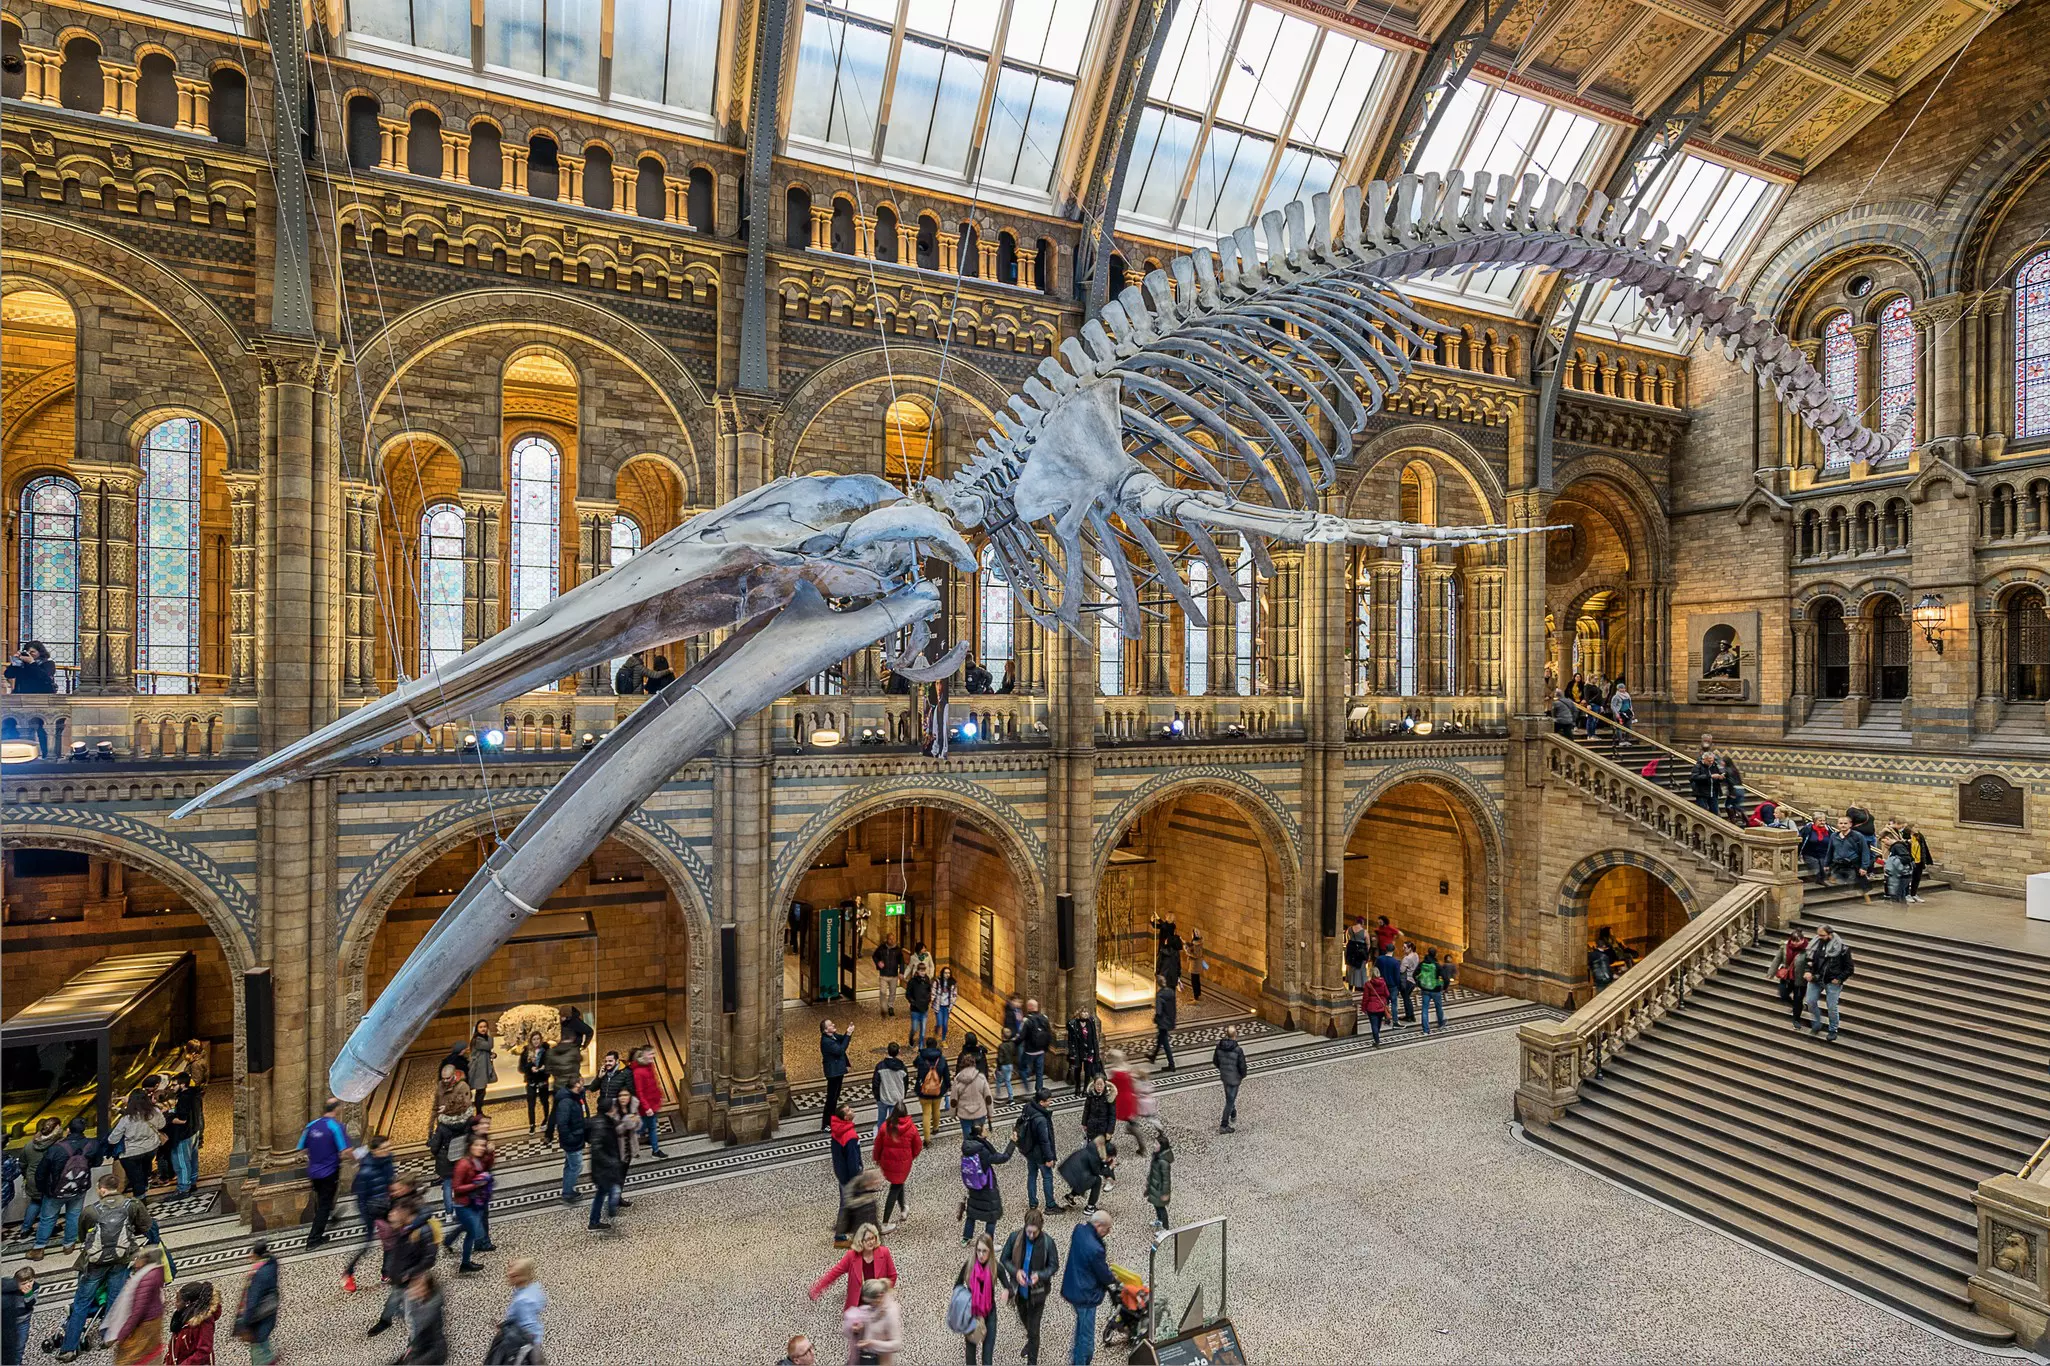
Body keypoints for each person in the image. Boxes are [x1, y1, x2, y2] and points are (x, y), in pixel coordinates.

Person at [999, 1207, 1059, 1366]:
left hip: (1038, 1293)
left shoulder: (1048, 1243)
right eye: (1028, 1231)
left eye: (1034, 1232)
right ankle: (1031, 1341)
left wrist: (1040, 1275)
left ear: (1041, 1228)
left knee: (1034, 1330)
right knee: (1025, 1320)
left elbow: (1054, 1266)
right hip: (1020, 1292)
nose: (1031, 1235)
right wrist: (1016, 1271)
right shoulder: (1015, 1238)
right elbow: (1004, 1259)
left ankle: (1032, 1360)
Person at [31, 1116, 97, 1259]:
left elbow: (41, 1172)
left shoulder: (56, 1149)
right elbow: (97, 1162)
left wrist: (43, 1189)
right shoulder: (91, 1144)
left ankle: (39, 1248)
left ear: (68, 1130)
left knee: (47, 1218)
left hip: (55, 1190)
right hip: (79, 1187)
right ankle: (69, 1245)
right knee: (73, 1215)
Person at [1062, 1210, 1118, 1366]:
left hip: (1073, 1287)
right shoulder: (1095, 1249)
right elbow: (1103, 1274)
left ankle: (1075, 1361)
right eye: (1107, 1229)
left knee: (1080, 1332)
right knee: (1086, 1340)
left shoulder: (1079, 1230)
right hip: (1086, 1295)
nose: (1108, 1232)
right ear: (1099, 1226)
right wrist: (1113, 1280)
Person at [342, 1134, 394, 1293]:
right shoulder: (365, 1172)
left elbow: (390, 1181)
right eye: (384, 1148)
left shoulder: (388, 1160)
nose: (389, 1150)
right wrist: (368, 1217)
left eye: (389, 1147)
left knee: (390, 1239)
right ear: (375, 1151)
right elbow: (361, 1199)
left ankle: (386, 1272)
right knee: (368, 1244)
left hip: (387, 1204)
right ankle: (348, 1272)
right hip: (372, 1210)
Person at [296, 1097, 350, 1247]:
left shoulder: (311, 1125)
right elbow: (345, 1151)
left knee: (322, 1199)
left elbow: (303, 1148)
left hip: (314, 1172)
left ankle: (330, 1217)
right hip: (329, 1172)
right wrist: (356, 1159)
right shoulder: (336, 1127)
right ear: (337, 1109)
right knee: (324, 1205)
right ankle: (313, 1239)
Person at [810, 1223, 898, 1312]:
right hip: (858, 1304)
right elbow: (834, 1272)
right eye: (867, 1239)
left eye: (872, 1238)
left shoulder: (884, 1252)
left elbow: (893, 1275)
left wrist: (884, 1295)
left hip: (878, 1303)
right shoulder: (851, 1256)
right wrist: (818, 1288)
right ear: (860, 1241)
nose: (871, 1242)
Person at [108, 1243, 166, 1366]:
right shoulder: (154, 1272)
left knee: (131, 1357)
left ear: (145, 1260)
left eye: (137, 1259)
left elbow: (138, 1310)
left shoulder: (146, 1278)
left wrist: (124, 1332)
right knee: (151, 1352)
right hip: (152, 1319)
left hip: (145, 1324)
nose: (134, 1262)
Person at [959, 1124, 1015, 1244]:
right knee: (991, 1215)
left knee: (972, 1212)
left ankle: (966, 1238)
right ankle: (988, 1241)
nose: (987, 1131)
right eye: (984, 1130)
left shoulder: (968, 1146)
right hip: (986, 1184)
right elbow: (1003, 1158)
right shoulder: (983, 1151)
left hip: (973, 1184)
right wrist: (1012, 1142)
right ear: (980, 1134)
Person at [14, 1117, 63, 1255]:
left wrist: (27, 1175)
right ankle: (48, 1229)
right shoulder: (57, 1145)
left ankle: (25, 1229)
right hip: (49, 1180)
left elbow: (22, 1164)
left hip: (32, 1179)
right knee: (50, 1207)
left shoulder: (29, 1145)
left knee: (35, 1202)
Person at [1803, 923, 1855, 1043]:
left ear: (1830, 934)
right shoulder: (1816, 945)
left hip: (1832, 981)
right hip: (1816, 978)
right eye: (1818, 935)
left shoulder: (1842, 949)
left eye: (1822, 935)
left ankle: (1833, 1029)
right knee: (1810, 1001)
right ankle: (1816, 1023)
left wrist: (1840, 978)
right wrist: (1807, 971)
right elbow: (1808, 960)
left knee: (1832, 1007)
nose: (1819, 937)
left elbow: (1849, 968)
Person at [448, 1134, 492, 1273]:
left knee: (470, 1232)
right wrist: (476, 1185)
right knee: (474, 1231)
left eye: (482, 1145)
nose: (480, 1148)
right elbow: (456, 1187)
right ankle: (464, 1262)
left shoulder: (477, 1160)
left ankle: (465, 1262)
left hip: (472, 1202)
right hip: (463, 1204)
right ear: (469, 1147)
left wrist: (491, 1153)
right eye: (477, 1145)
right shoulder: (463, 1164)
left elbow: (488, 1165)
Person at [955, 1233, 1001, 1366]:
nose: (981, 1255)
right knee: (970, 1356)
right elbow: (957, 1286)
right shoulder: (969, 1265)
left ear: (990, 1252)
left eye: (984, 1251)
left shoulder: (994, 1267)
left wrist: (1007, 1291)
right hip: (972, 1314)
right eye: (978, 1250)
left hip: (990, 1313)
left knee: (987, 1358)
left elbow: (1008, 1285)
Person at [872, 1110, 922, 1231]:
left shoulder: (885, 1126)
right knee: (895, 1188)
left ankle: (903, 1208)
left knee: (898, 1183)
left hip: (888, 1163)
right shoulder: (912, 1128)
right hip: (903, 1164)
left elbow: (878, 1144)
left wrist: (877, 1158)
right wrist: (911, 1157)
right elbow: (918, 1146)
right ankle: (885, 1222)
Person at [111, 1089, 166, 1198]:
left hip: (131, 1153)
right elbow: (161, 1125)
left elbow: (112, 1139)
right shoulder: (155, 1112)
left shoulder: (127, 1119)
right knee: (144, 1170)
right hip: (151, 1148)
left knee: (136, 1179)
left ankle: (141, 1201)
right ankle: (145, 1185)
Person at [230, 1243, 278, 1366]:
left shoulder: (257, 1274)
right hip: (268, 1312)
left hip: (258, 1317)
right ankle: (269, 1359)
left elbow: (252, 1300)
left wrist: (245, 1323)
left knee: (258, 1348)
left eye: (252, 1253)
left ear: (256, 1255)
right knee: (263, 1341)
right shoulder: (271, 1264)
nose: (250, 1256)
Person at [1013, 1090, 1059, 1213]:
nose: (1051, 1102)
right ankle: (1050, 1205)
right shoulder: (1041, 1119)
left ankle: (1032, 1203)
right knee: (1047, 1177)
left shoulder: (1028, 1107)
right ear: (1041, 1102)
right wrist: (1049, 1158)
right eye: (1048, 1100)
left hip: (1029, 1150)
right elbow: (1045, 1141)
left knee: (1032, 1175)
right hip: (1040, 1153)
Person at [496, 1258, 545, 1364]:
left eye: (514, 1276)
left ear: (523, 1277)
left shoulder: (522, 1300)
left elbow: (528, 1327)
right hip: (534, 1338)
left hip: (524, 1343)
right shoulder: (534, 1288)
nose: (508, 1277)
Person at [829, 1103, 865, 1245]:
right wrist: (857, 1177)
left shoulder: (836, 1131)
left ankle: (842, 1229)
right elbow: (852, 1160)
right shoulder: (849, 1136)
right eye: (849, 1110)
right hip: (850, 1176)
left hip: (841, 1173)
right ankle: (842, 1233)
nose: (852, 1110)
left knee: (846, 1203)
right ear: (845, 1117)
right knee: (853, 1204)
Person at [549, 1078, 588, 1204]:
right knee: (576, 1166)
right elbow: (562, 1124)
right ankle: (567, 1193)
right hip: (573, 1140)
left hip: (576, 1136)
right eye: (581, 1083)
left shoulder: (575, 1096)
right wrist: (570, 1139)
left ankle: (567, 1190)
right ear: (576, 1085)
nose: (584, 1085)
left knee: (570, 1165)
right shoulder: (566, 1102)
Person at [164, 1075, 203, 1196]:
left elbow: (182, 1119)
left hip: (184, 1134)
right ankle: (192, 1182)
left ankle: (183, 1188)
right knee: (192, 1158)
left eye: (174, 1085)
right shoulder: (195, 1094)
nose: (172, 1087)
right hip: (194, 1130)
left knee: (181, 1161)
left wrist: (167, 1118)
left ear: (183, 1085)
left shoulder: (184, 1098)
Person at [395, 1271, 445, 1365]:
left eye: (419, 1286)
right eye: (413, 1285)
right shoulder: (415, 1301)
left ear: (427, 1290)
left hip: (432, 1353)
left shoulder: (431, 1310)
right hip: (418, 1347)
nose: (413, 1289)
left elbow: (435, 1346)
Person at [1055, 1138, 1113, 1215]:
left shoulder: (1094, 1149)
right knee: (1097, 1180)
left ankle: (1070, 1196)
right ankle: (1090, 1207)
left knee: (1087, 1178)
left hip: (1069, 1170)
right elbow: (1097, 1171)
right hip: (1075, 1174)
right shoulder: (1095, 1156)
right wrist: (1109, 1167)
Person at [166, 1280, 217, 1366]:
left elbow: (204, 1350)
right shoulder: (182, 1317)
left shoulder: (204, 1321)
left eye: (178, 1301)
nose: (175, 1304)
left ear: (188, 1303)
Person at [629, 1045, 668, 1157]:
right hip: (647, 1107)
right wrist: (647, 1107)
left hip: (653, 1103)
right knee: (646, 1127)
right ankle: (654, 1150)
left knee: (648, 1126)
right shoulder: (638, 1072)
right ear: (644, 1055)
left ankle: (651, 1146)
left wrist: (659, 1096)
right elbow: (640, 1092)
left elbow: (653, 1083)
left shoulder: (649, 1065)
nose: (653, 1056)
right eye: (651, 1054)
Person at [1769, 927, 1811, 1026]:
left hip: (1800, 978)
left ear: (1802, 940)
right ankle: (1799, 1006)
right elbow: (1777, 959)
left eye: (1798, 941)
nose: (1795, 943)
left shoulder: (1808, 950)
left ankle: (1796, 1020)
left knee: (1798, 998)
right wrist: (1771, 972)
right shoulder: (1785, 946)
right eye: (1793, 941)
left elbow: (1811, 963)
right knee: (1783, 994)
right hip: (1787, 976)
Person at [914, 1035, 951, 1139]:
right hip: (937, 1090)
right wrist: (947, 1086)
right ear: (936, 1046)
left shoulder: (921, 1057)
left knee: (926, 1113)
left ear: (926, 1045)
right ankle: (935, 1128)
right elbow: (946, 1075)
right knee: (936, 1110)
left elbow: (915, 1064)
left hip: (923, 1090)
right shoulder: (942, 1059)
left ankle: (927, 1139)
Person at [1211, 1025, 1246, 1133]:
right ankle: (1224, 1124)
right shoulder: (1238, 1050)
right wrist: (1242, 1075)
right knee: (1229, 1101)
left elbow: (1215, 1061)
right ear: (1235, 1035)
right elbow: (1242, 1066)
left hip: (1225, 1076)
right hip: (1234, 1078)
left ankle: (1233, 1112)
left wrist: (1222, 1069)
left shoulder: (1219, 1046)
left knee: (1229, 1097)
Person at [860, 1279, 902, 1366]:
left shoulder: (890, 1313)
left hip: (880, 1361)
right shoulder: (873, 1307)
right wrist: (861, 1327)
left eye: (871, 1302)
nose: (870, 1305)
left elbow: (896, 1343)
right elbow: (871, 1324)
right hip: (867, 1357)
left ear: (880, 1296)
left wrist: (871, 1343)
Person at [950, 1058, 995, 1138]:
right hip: (980, 1112)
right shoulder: (981, 1078)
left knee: (968, 1138)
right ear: (974, 1065)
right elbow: (988, 1097)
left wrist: (952, 1114)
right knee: (980, 1137)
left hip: (964, 1114)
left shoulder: (957, 1079)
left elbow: (954, 1100)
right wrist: (990, 1113)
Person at [1018, 999, 1053, 1096]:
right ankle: (1039, 1091)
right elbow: (1049, 1034)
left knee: (1022, 1067)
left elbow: (1022, 1036)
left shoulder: (1027, 1020)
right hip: (1041, 1051)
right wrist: (1046, 1048)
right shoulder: (1044, 1018)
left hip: (1029, 1051)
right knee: (1039, 1072)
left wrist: (1014, 1043)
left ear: (1029, 1007)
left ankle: (1026, 1084)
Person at [517, 1033, 550, 1135]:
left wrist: (545, 1068)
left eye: (538, 1039)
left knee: (544, 1101)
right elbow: (521, 1067)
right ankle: (532, 1124)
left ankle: (545, 1119)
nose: (536, 1041)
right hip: (531, 1080)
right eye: (534, 1039)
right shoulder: (526, 1052)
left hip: (542, 1079)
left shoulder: (546, 1051)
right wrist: (530, 1068)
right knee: (531, 1103)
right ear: (531, 1040)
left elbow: (551, 1064)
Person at [1826, 815, 1870, 890]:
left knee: (1852, 887)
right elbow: (1830, 851)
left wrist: (1864, 867)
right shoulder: (1834, 836)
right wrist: (1826, 864)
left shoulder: (1858, 836)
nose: (1843, 825)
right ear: (1838, 824)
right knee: (1837, 888)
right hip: (1837, 866)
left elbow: (1865, 852)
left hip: (1852, 866)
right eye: (1841, 823)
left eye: (1845, 823)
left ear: (1850, 824)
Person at [872, 1040, 909, 1128]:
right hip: (897, 1098)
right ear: (899, 1052)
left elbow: (875, 1083)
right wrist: (903, 1095)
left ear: (887, 1051)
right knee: (894, 1122)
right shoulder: (902, 1067)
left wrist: (877, 1097)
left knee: (881, 1120)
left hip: (883, 1097)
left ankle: (880, 1138)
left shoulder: (880, 1066)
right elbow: (906, 1083)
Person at [465, 1020, 497, 1114]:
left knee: (481, 1091)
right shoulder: (477, 1040)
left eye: (485, 1026)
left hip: (482, 1068)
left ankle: (479, 1112)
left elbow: (486, 1051)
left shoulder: (483, 1038)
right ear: (477, 1029)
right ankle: (478, 1113)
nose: (483, 1029)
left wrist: (493, 1055)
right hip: (478, 1070)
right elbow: (489, 1046)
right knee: (480, 1091)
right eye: (481, 1027)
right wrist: (490, 1035)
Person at [1064, 1011, 1099, 1095]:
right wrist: (1074, 1016)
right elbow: (1067, 1026)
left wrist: (1096, 1051)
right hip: (1078, 1050)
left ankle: (1085, 1088)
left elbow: (1094, 1036)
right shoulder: (1074, 1023)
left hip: (1089, 1050)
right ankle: (1078, 1087)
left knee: (1088, 1070)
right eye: (1083, 1012)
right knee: (1077, 1069)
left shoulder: (1091, 1021)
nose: (1085, 1013)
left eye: (1086, 1012)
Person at [4, 1268, 34, 1366]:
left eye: (31, 1281)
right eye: (24, 1283)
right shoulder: (10, 1292)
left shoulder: (34, 1287)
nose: (28, 1285)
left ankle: (17, 1362)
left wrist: (28, 1294)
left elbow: (30, 1304)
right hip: (11, 1322)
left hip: (24, 1321)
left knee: (20, 1345)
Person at [1144, 1133, 1174, 1230]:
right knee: (1156, 1206)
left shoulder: (1163, 1162)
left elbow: (1166, 1180)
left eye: (1156, 1144)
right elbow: (1153, 1171)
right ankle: (1159, 1221)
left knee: (1161, 1208)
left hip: (1159, 1189)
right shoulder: (1157, 1157)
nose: (1154, 1145)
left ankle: (1165, 1227)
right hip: (1155, 1187)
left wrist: (1165, 1193)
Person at [1148, 976, 1177, 1071]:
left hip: (1163, 1022)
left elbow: (1159, 1011)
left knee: (1165, 1043)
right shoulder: (1171, 992)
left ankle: (1171, 1064)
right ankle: (1153, 1056)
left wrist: (1156, 1018)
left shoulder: (1160, 995)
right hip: (1170, 1020)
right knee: (1160, 1038)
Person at [1417, 949, 1450, 1033]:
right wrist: (1444, 988)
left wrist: (1420, 984)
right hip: (1436, 990)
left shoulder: (1422, 964)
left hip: (1425, 989)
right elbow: (1446, 979)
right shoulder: (1437, 965)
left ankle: (1425, 1029)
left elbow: (1415, 974)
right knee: (1438, 1007)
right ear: (1435, 955)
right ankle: (1441, 1023)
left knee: (1424, 1009)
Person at [1374, 943, 1404, 1030]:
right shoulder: (1395, 962)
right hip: (1393, 985)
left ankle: (1387, 1019)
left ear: (1385, 949)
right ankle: (1395, 1021)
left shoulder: (1380, 959)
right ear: (1393, 951)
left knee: (1385, 1002)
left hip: (1382, 984)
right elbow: (1397, 976)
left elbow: (1375, 970)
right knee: (1394, 1004)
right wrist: (1399, 986)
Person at [1079, 1074, 1115, 1145]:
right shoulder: (1090, 1095)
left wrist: (1109, 1131)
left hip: (1103, 1128)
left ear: (1104, 1084)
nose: (1099, 1087)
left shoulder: (1109, 1096)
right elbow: (1086, 1109)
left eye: (1101, 1084)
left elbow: (1112, 1115)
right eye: (1097, 1084)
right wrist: (1084, 1123)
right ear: (1094, 1084)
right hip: (1092, 1127)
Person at [873, 937, 905, 1017]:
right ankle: (884, 1008)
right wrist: (878, 962)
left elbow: (901, 961)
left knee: (892, 992)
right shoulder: (882, 948)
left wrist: (901, 972)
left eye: (893, 939)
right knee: (883, 992)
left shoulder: (898, 950)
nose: (892, 941)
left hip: (893, 975)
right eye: (890, 939)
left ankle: (890, 1006)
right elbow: (874, 956)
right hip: (883, 974)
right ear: (887, 940)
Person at [905, 966, 934, 1049]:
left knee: (923, 1030)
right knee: (914, 1028)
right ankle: (911, 1037)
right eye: (921, 971)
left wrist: (928, 999)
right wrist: (913, 1002)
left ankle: (921, 1047)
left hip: (924, 1009)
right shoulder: (912, 981)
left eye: (924, 971)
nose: (923, 972)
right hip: (915, 1010)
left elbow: (929, 991)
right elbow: (908, 994)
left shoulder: (927, 980)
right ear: (917, 971)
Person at [1361, 971, 1391, 1046]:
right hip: (1381, 1006)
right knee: (1378, 1022)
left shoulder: (1368, 984)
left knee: (1373, 1024)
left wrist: (1363, 1008)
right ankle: (1377, 1033)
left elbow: (1366, 998)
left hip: (1371, 1007)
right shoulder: (1383, 982)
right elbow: (1387, 994)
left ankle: (1377, 1040)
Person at [934, 967, 961, 1044]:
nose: (947, 975)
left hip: (947, 1006)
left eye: (948, 973)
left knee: (945, 1024)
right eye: (945, 973)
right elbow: (934, 991)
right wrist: (933, 999)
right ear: (942, 973)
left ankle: (943, 1039)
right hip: (939, 1005)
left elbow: (955, 994)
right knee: (939, 1023)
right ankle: (936, 1033)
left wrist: (952, 1002)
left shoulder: (953, 983)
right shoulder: (938, 982)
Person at [1343, 921, 1371, 992]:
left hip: (1350, 953)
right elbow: (1368, 944)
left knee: (1350, 969)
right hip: (1360, 954)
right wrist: (1366, 953)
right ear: (1362, 923)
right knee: (1359, 971)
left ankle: (1350, 987)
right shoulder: (1364, 932)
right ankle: (1358, 988)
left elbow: (1347, 940)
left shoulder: (1349, 929)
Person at [1398, 940, 1421, 1024]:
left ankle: (1409, 1016)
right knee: (1407, 998)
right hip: (1414, 980)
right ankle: (1410, 1016)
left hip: (1407, 980)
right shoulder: (1416, 955)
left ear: (1410, 948)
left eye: (1405, 947)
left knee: (1406, 998)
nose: (1403, 949)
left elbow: (1401, 970)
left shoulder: (1406, 959)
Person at [996, 1030, 1019, 1103]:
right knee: (1008, 1081)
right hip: (1010, 1065)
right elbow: (1014, 1053)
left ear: (1002, 1035)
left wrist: (999, 1068)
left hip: (1004, 1066)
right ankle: (1011, 1098)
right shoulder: (1012, 1044)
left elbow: (1000, 1058)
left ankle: (998, 1095)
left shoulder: (1001, 1046)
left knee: (998, 1080)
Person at [1187, 933, 1208, 1001]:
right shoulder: (1199, 944)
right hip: (1197, 965)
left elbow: (1196, 955)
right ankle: (1197, 995)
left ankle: (1196, 997)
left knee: (1194, 981)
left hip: (1195, 965)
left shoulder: (1196, 945)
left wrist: (1188, 952)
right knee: (1197, 980)